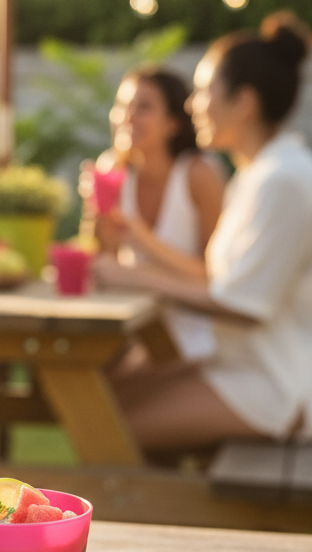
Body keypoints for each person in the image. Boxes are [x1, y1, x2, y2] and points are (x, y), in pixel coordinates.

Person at [94, 13, 312, 453]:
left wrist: (133, 277)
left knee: (107, 431)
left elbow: (242, 304)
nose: (192, 105)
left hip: (292, 383)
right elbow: (223, 281)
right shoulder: (258, 175)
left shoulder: (282, 180)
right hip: (253, 369)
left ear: (243, 102)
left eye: (205, 91)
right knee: (107, 400)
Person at [90, 67, 226, 360]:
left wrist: (141, 238)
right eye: (122, 106)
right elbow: (106, 266)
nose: (127, 117)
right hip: (133, 330)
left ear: (173, 123)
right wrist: (97, 220)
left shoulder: (199, 175)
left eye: (144, 107)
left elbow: (215, 276)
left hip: (197, 336)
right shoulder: (112, 170)